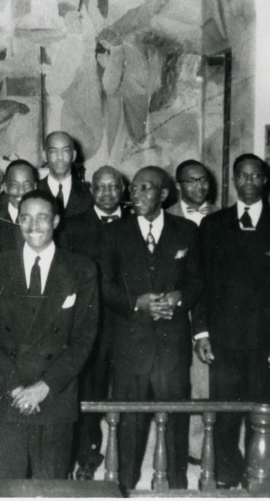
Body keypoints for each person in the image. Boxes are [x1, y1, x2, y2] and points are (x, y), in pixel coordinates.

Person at [193, 154, 270, 489]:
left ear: (266, 181)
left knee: (261, 407)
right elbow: (200, 283)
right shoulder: (212, 226)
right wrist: (201, 331)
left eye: (256, 176)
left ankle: (260, 472)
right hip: (223, 336)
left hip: (265, 338)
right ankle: (227, 470)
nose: (249, 182)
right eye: (243, 176)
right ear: (233, 180)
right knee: (225, 410)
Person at [0, 189, 98, 482]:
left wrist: (43, 387)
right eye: (25, 218)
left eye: (42, 218)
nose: (33, 227)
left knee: (50, 488)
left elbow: (84, 339)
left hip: (55, 396)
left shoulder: (82, 269)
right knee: (6, 487)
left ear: (56, 221)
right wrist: (16, 388)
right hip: (9, 396)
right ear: (17, 221)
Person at [108, 166, 204, 491]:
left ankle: (174, 482)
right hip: (130, 341)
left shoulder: (187, 231)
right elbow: (103, 286)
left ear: (164, 194)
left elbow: (198, 282)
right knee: (129, 419)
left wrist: (178, 298)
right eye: (133, 188)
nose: (136, 194)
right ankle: (125, 482)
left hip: (172, 341)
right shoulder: (113, 233)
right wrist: (137, 302)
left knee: (174, 414)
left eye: (145, 188)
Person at [58, 165, 127, 479]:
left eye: (114, 187)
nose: (108, 193)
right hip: (90, 325)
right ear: (91, 190)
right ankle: (87, 457)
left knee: (127, 395)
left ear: (123, 190)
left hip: (129, 326)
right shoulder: (73, 227)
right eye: (101, 187)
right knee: (89, 393)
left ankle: (125, 456)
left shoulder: (138, 224)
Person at [166, 159, 218, 465]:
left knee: (203, 377)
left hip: (210, 307)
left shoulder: (223, 217)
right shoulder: (165, 217)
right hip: (176, 306)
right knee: (173, 377)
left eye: (204, 181)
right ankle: (173, 438)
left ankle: (197, 447)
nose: (200, 187)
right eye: (192, 181)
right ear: (179, 186)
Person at [38, 131, 93, 225]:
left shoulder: (89, 194)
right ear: (44, 156)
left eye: (65, 151)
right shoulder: (35, 191)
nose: (60, 157)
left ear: (74, 155)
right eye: (53, 151)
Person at [0, 159, 38, 252]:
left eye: (27, 185)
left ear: (35, 187)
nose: (21, 191)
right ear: (5, 188)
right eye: (15, 185)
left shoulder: (44, 220)